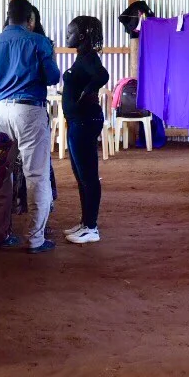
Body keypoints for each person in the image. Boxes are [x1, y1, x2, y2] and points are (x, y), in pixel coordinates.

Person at [0, 0, 61, 253]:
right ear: (31, 19)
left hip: (2, 111)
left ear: (8, 16)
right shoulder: (38, 41)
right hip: (29, 110)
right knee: (36, 175)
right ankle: (35, 239)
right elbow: (53, 77)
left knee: (2, 172)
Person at [60, 16, 109, 244]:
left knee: (88, 176)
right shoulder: (82, 57)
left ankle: (92, 227)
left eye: (70, 33)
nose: (66, 36)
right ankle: (85, 222)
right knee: (81, 176)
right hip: (77, 122)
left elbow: (102, 75)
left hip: (84, 121)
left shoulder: (90, 57)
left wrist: (88, 91)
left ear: (80, 36)